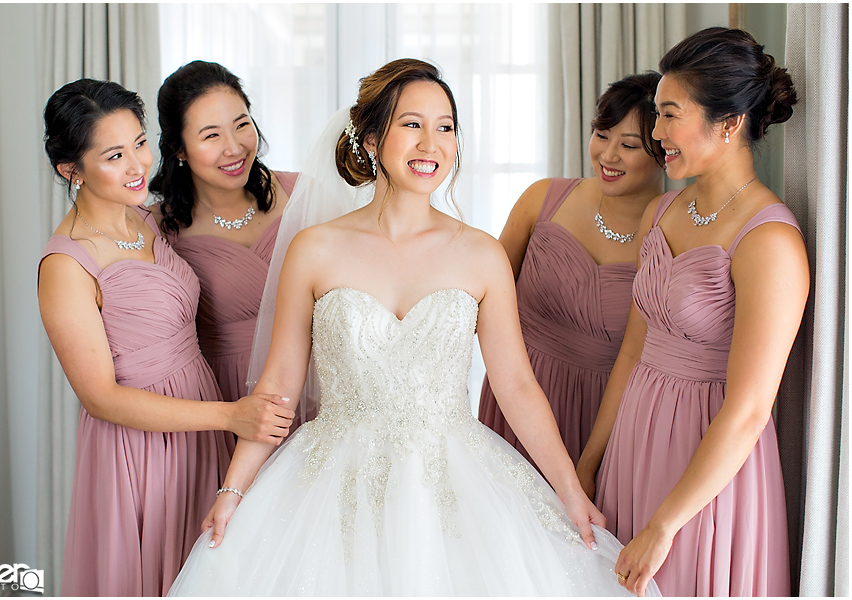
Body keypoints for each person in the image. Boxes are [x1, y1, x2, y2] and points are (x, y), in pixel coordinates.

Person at [167, 59, 659, 596]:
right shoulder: (315, 250)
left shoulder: (481, 254)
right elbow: (278, 387)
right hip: (332, 484)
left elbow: (516, 386)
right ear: (373, 139)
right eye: (412, 125)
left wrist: (569, 490)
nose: (431, 144)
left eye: (445, 127)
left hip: (453, 481)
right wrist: (234, 491)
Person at [575, 28, 808, 596]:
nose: (656, 135)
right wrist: (588, 463)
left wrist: (664, 525)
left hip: (705, 474)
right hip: (634, 440)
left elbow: (751, 409)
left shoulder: (770, 239)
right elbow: (634, 348)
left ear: (729, 123)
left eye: (669, 115)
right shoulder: (663, 209)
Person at [37, 79, 287, 595]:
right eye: (113, 155)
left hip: (203, 424)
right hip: (142, 446)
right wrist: (229, 415)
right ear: (71, 170)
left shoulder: (150, 219)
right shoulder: (66, 263)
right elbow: (99, 397)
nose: (136, 166)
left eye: (139, 144)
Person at [479, 72, 665, 466]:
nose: (608, 155)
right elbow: (478, 295)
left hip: (607, 416)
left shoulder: (672, 233)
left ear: (666, 150)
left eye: (629, 144)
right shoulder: (541, 199)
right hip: (518, 394)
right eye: (602, 134)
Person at [150, 61, 298, 439]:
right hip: (226, 405)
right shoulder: (157, 229)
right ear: (178, 149)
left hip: (314, 389)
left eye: (241, 124)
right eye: (211, 135)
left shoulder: (304, 195)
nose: (234, 148)